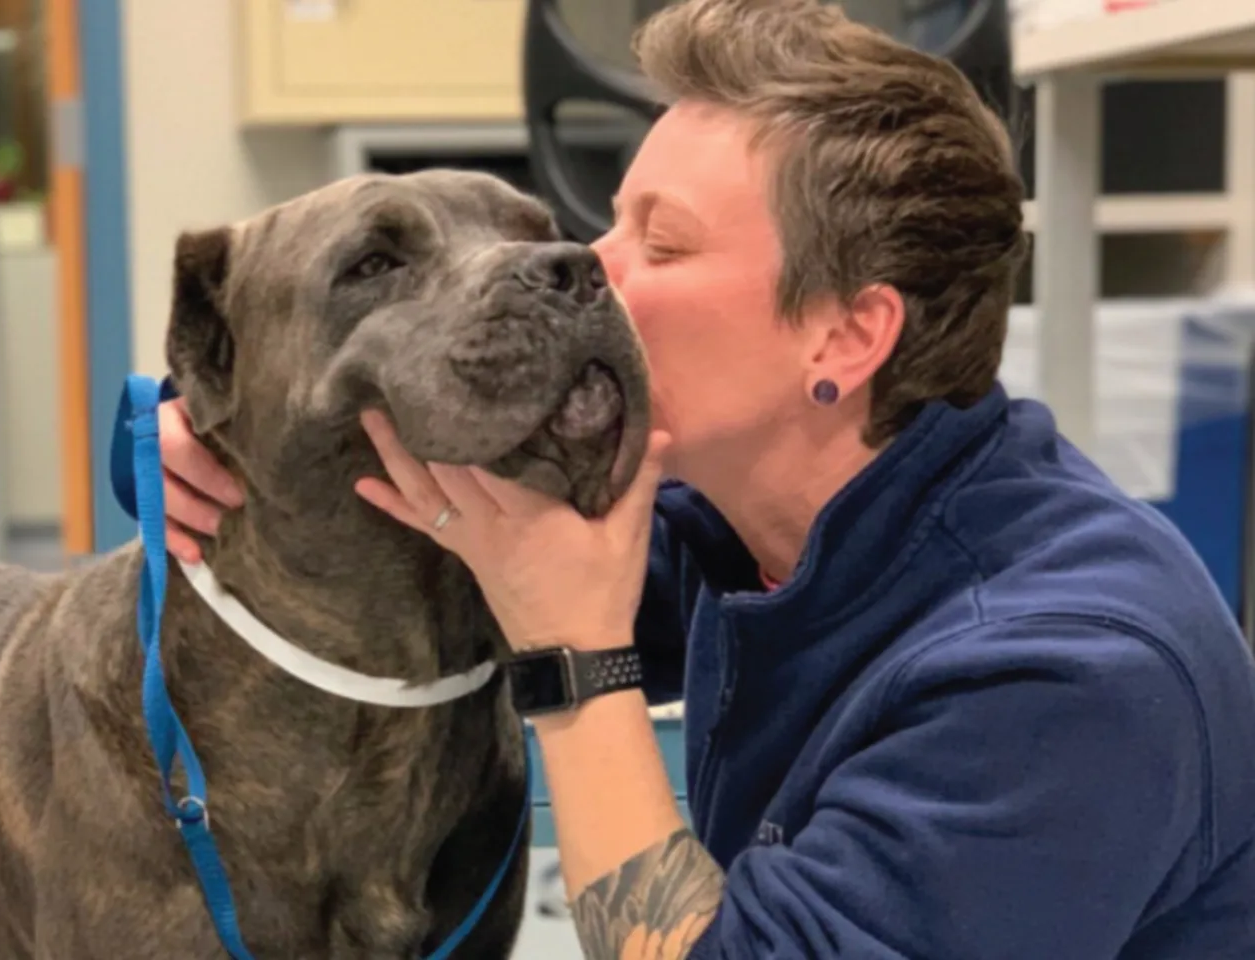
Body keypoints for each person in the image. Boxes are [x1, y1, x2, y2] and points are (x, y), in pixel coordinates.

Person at [123, 0, 1255, 956]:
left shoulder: (1063, 682)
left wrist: (577, 659)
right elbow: (422, 526)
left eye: (660, 245)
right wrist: (179, 432)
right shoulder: (750, 517)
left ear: (846, 337)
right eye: (611, 223)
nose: (590, 268)